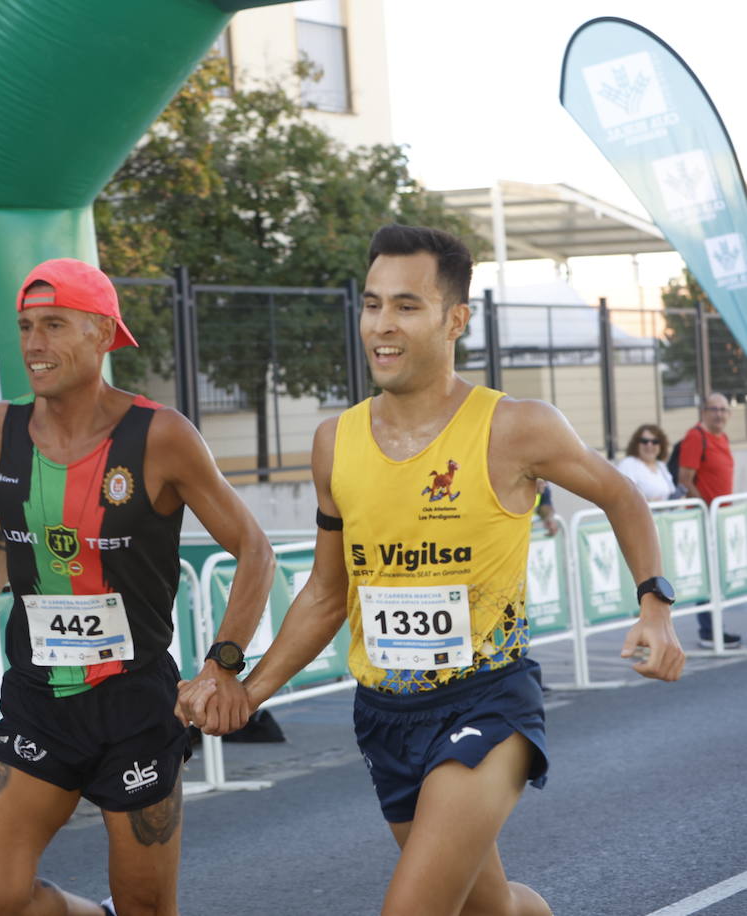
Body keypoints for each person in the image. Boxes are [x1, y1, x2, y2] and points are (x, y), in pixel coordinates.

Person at [182, 225, 685, 916]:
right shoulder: (335, 441)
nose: (382, 326)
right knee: (490, 908)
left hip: (486, 701)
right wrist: (248, 689)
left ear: (456, 319)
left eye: (406, 306)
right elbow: (329, 593)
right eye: (372, 304)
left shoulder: (515, 427)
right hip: (385, 714)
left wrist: (653, 604)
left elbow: (621, 495)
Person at [0, 257, 274, 916]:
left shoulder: (160, 436)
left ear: (104, 335)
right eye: (26, 326)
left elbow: (254, 549)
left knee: (149, 908)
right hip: (38, 698)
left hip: (134, 705)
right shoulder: (1, 426)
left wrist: (223, 666)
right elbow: (10, 519)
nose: (34, 344)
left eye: (54, 325)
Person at [675, 394, 742, 648]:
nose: (719, 414)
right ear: (703, 411)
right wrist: (707, 509)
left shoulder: (722, 438)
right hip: (705, 518)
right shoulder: (696, 437)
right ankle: (708, 630)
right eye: (714, 409)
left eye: (724, 410)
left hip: (722, 518)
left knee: (719, 576)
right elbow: (685, 479)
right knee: (708, 576)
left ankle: (715, 627)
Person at [616, 423, 676, 502]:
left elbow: (671, 492)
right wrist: (648, 502)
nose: (649, 445)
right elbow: (623, 497)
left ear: (661, 445)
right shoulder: (629, 464)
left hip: (667, 513)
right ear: (636, 444)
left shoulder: (661, 466)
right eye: (644, 441)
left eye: (655, 441)